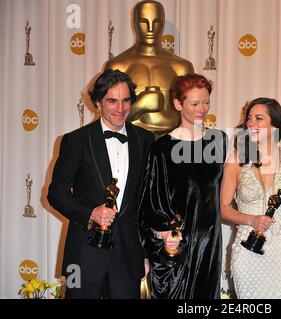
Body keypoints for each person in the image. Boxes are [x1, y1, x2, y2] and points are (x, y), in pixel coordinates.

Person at [47, 69, 154, 298]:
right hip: (85, 252)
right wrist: (91, 213)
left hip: (128, 253)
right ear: (97, 102)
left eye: (126, 100)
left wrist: (146, 253)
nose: (120, 108)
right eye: (112, 101)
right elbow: (56, 193)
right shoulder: (75, 141)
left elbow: (147, 201)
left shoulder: (145, 140)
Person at [138, 73, 226, 299]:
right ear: (178, 104)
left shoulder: (220, 141)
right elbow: (151, 202)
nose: (202, 109)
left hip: (209, 246)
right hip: (175, 249)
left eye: (206, 102)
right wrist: (165, 240)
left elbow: (235, 185)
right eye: (194, 103)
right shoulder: (163, 148)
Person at [220, 97, 281, 299]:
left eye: (259, 118)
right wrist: (251, 219)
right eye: (249, 118)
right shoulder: (236, 159)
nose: (251, 123)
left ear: (275, 124)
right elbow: (224, 208)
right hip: (247, 250)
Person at [103, 0, 194, 135]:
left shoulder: (182, 67)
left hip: (170, 146)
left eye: (156, 22)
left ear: (163, 25)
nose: (151, 29)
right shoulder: (118, 66)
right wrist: (141, 105)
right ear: (134, 23)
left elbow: (192, 116)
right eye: (144, 22)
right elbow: (108, 115)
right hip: (130, 145)